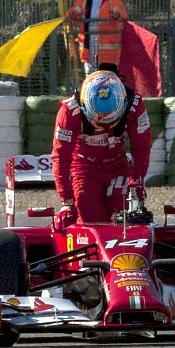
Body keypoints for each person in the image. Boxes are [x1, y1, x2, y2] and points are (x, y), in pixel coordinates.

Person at [51, 68, 151, 228]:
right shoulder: (69, 112)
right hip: (84, 168)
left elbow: (142, 147)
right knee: (89, 219)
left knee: (125, 219)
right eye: (100, 121)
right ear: (85, 105)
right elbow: (60, 157)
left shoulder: (135, 105)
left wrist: (137, 181)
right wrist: (67, 201)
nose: (104, 125)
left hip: (118, 166)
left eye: (109, 120)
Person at [66, 0, 127, 75]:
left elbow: (122, 13)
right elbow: (73, 12)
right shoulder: (84, 1)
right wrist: (71, 14)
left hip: (107, 46)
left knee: (107, 74)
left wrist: (117, 15)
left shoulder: (112, 0)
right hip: (88, 43)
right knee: (90, 72)